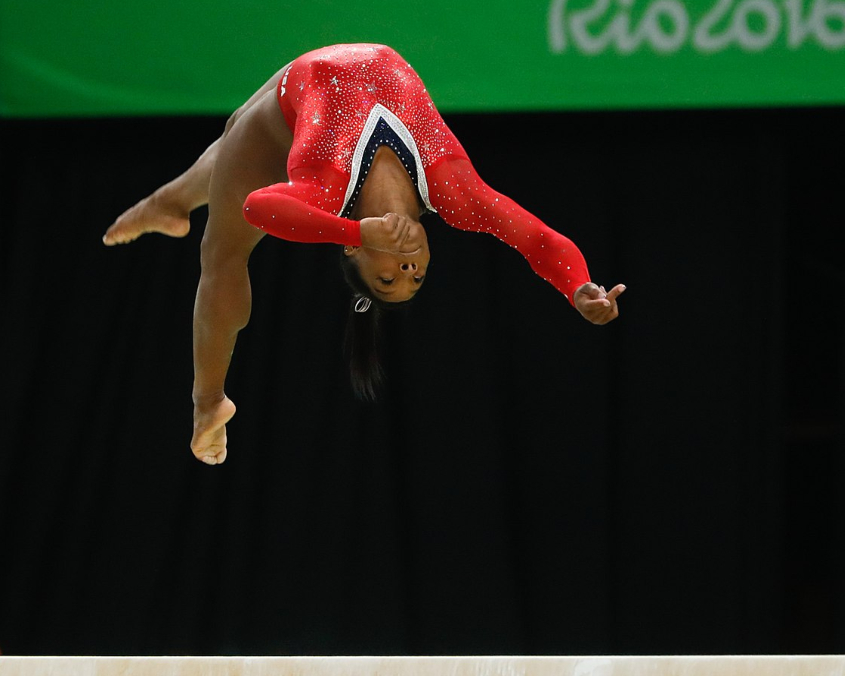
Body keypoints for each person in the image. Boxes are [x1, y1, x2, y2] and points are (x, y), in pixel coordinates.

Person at [103, 44, 626, 466]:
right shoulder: (452, 192)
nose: (406, 269)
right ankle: (169, 202)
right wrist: (578, 288)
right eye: (415, 278)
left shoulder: (329, 188)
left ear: (352, 251)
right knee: (230, 130)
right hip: (318, 72)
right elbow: (535, 239)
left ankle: (207, 402)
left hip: (288, 103)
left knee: (221, 250)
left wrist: (355, 225)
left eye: (387, 280)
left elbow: (258, 206)